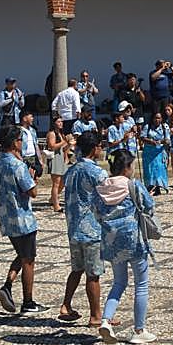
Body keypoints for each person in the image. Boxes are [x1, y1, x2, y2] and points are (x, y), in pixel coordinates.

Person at [93, 149, 157, 344]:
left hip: (111, 241)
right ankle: (139, 330)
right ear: (127, 167)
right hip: (134, 240)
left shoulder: (102, 187)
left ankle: (105, 320)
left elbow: (96, 213)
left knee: (119, 283)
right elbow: (149, 206)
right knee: (141, 284)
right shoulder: (133, 185)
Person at [0, 126, 43, 314]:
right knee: (28, 259)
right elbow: (33, 192)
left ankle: (7, 286)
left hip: (6, 216)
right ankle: (28, 301)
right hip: (23, 218)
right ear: (15, 143)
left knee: (22, 254)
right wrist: (32, 177)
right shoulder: (17, 166)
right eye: (20, 140)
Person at [60, 130, 106, 327]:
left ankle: (66, 304)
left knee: (77, 269)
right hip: (91, 228)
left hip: (73, 226)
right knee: (93, 274)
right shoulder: (97, 172)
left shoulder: (71, 170)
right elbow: (107, 198)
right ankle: (96, 315)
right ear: (95, 148)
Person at [141, 111, 170, 196]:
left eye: (159, 118)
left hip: (159, 152)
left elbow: (167, 140)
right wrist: (151, 141)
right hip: (149, 152)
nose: (157, 120)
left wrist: (163, 141)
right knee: (149, 169)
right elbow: (142, 137)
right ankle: (149, 186)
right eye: (155, 118)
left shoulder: (165, 127)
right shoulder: (147, 127)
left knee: (159, 169)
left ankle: (158, 187)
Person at [47, 116, 71, 212]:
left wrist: (68, 143)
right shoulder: (51, 134)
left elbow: (64, 148)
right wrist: (64, 141)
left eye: (61, 121)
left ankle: (53, 198)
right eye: (58, 121)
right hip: (55, 158)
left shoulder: (61, 134)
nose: (61, 123)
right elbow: (52, 146)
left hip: (61, 158)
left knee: (63, 181)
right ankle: (56, 205)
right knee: (56, 183)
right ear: (54, 123)